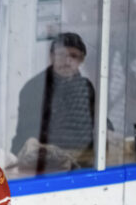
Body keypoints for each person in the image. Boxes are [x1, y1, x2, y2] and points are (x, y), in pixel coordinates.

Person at [10, 33, 97, 174]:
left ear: (81, 60)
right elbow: (29, 136)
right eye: (61, 55)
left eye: (73, 56)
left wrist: (108, 130)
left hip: (83, 165)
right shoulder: (36, 88)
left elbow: (97, 120)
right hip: (48, 167)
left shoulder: (86, 86)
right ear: (51, 57)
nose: (67, 61)